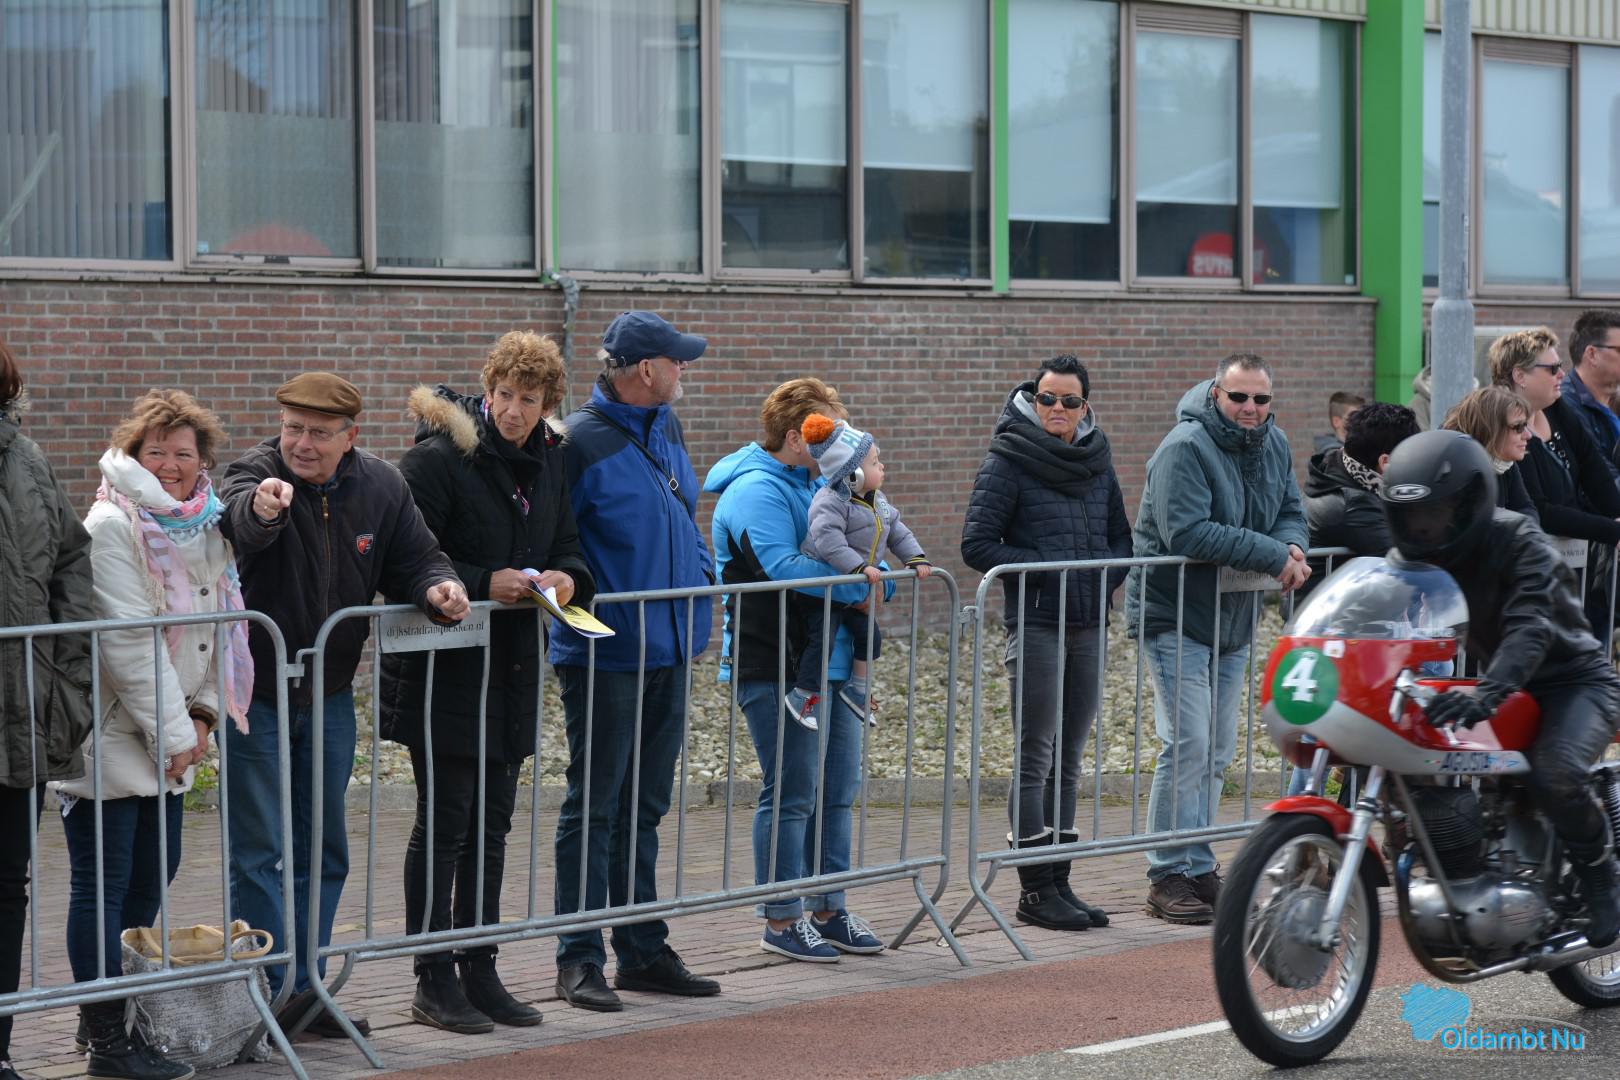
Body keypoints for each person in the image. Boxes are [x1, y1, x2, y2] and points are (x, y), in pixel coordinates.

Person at [219, 372, 469, 1037]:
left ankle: (305, 989)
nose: (302, 444)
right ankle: (263, 993)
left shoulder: (381, 485)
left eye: (319, 433)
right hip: (255, 694)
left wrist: (439, 589)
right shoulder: (256, 472)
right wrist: (263, 510)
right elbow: (237, 518)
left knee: (325, 848)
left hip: (329, 693)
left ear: (350, 436)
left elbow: (417, 558)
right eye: (292, 428)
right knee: (258, 850)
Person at [380, 332, 595, 1034]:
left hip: (513, 666)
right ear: (487, 389)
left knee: (492, 826)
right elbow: (404, 560)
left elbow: (568, 544)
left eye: (528, 400)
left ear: (547, 404)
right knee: (445, 824)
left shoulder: (550, 459)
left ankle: (480, 966)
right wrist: (479, 582)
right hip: (443, 668)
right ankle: (431, 975)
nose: (512, 411)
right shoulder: (438, 458)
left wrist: (568, 579)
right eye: (503, 395)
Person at [54, 392, 250, 1080]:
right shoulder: (112, 524)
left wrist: (203, 717)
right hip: (113, 735)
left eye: (183, 453)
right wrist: (176, 736)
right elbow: (129, 646)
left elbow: (216, 632)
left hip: (171, 735)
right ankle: (109, 1040)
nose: (169, 464)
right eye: (155, 451)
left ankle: (106, 1017)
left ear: (203, 462)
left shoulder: (207, 526)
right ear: (134, 455)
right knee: (102, 888)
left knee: (150, 879)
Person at [1381, 430, 1620, 947]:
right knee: (1415, 754)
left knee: (1554, 773)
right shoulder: (1411, 558)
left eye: (1435, 512)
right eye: (1412, 515)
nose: (1423, 526)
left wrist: (1486, 694)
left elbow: (1530, 627)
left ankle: (1601, 876)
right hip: (1500, 683)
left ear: (1469, 503)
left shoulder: (1519, 540)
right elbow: (1377, 612)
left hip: (1572, 682)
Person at [549, 311, 718, 1012]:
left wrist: (703, 576)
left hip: (669, 647)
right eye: (677, 360)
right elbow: (555, 544)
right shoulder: (576, 442)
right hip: (607, 652)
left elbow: (685, 517)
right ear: (646, 369)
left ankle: (642, 948)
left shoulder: (666, 426)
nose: (685, 369)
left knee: (644, 805)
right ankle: (578, 956)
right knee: (594, 806)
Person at [704, 378, 889, 963]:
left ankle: (828, 908)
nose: (841, 446)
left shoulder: (822, 483)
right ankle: (781, 916)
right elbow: (783, 566)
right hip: (774, 660)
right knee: (791, 791)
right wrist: (859, 581)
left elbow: (857, 544)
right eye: (828, 434)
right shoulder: (754, 490)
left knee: (836, 790)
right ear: (795, 438)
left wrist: (873, 572)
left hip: (828, 659)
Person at [1126, 353, 1309, 925]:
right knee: (1187, 743)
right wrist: (1274, 554)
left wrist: (1293, 545)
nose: (1250, 408)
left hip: (1233, 619)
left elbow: (1292, 510)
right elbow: (1188, 531)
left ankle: (1198, 863)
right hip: (1175, 615)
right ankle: (1167, 873)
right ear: (1215, 394)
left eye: (1261, 399)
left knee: (1217, 749)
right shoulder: (1184, 447)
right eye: (1239, 397)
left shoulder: (1274, 443)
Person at [961, 355, 1130, 933]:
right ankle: (1033, 889)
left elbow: (1121, 538)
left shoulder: (1098, 459)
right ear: (1033, 400)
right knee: (1036, 752)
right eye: (1047, 398)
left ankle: (1059, 880)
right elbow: (978, 543)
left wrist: (1100, 578)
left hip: (1089, 624)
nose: (1057, 408)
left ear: (1085, 406)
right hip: (1036, 623)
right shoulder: (1007, 459)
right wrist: (1048, 569)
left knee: (1070, 756)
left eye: (1069, 401)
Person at [0, 341, 95, 1080]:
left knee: (8, 888)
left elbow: (70, 560)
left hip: (17, 718)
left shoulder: (26, 460)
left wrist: (64, 677)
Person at [786, 414, 930, 730]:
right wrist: (859, 567)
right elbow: (828, 541)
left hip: (854, 585)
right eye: (875, 463)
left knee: (870, 636)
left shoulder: (878, 501)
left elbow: (898, 531)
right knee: (822, 639)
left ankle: (858, 688)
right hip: (825, 589)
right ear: (853, 474)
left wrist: (915, 558)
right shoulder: (829, 502)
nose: (882, 467)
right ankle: (803, 694)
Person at [1491, 327, 1620, 637]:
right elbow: (1542, 510)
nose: (1562, 374)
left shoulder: (1556, 408)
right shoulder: (1505, 426)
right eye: (1552, 368)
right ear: (1519, 375)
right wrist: (1613, 530)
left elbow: (1593, 468)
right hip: (1528, 578)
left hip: (1572, 568)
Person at [1304, 402, 1420, 557]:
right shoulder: (1357, 506)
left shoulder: (1334, 465)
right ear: (1385, 462)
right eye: (1412, 457)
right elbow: (1408, 561)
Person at [1440, 386, 1538, 522]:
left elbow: (1526, 508)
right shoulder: (1456, 468)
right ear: (1490, 428)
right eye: (1518, 427)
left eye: (1526, 426)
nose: (1528, 435)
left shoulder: (1502, 461)